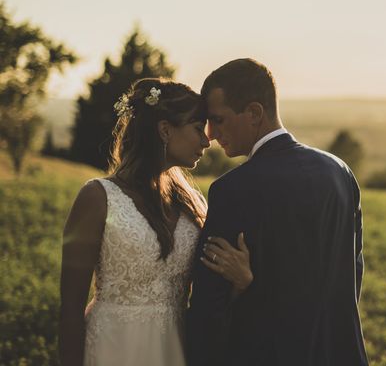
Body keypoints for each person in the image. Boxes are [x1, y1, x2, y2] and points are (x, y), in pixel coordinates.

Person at [59, 78, 253, 366]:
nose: (206, 140)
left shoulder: (193, 204)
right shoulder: (97, 197)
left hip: (174, 349)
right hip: (113, 348)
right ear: (165, 130)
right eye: (198, 129)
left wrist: (240, 279)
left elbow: (207, 294)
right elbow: (70, 310)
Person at [187, 59, 369, 365]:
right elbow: (353, 271)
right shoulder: (340, 172)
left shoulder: (233, 190)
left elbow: (210, 304)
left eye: (218, 120)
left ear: (254, 113)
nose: (210, 134)